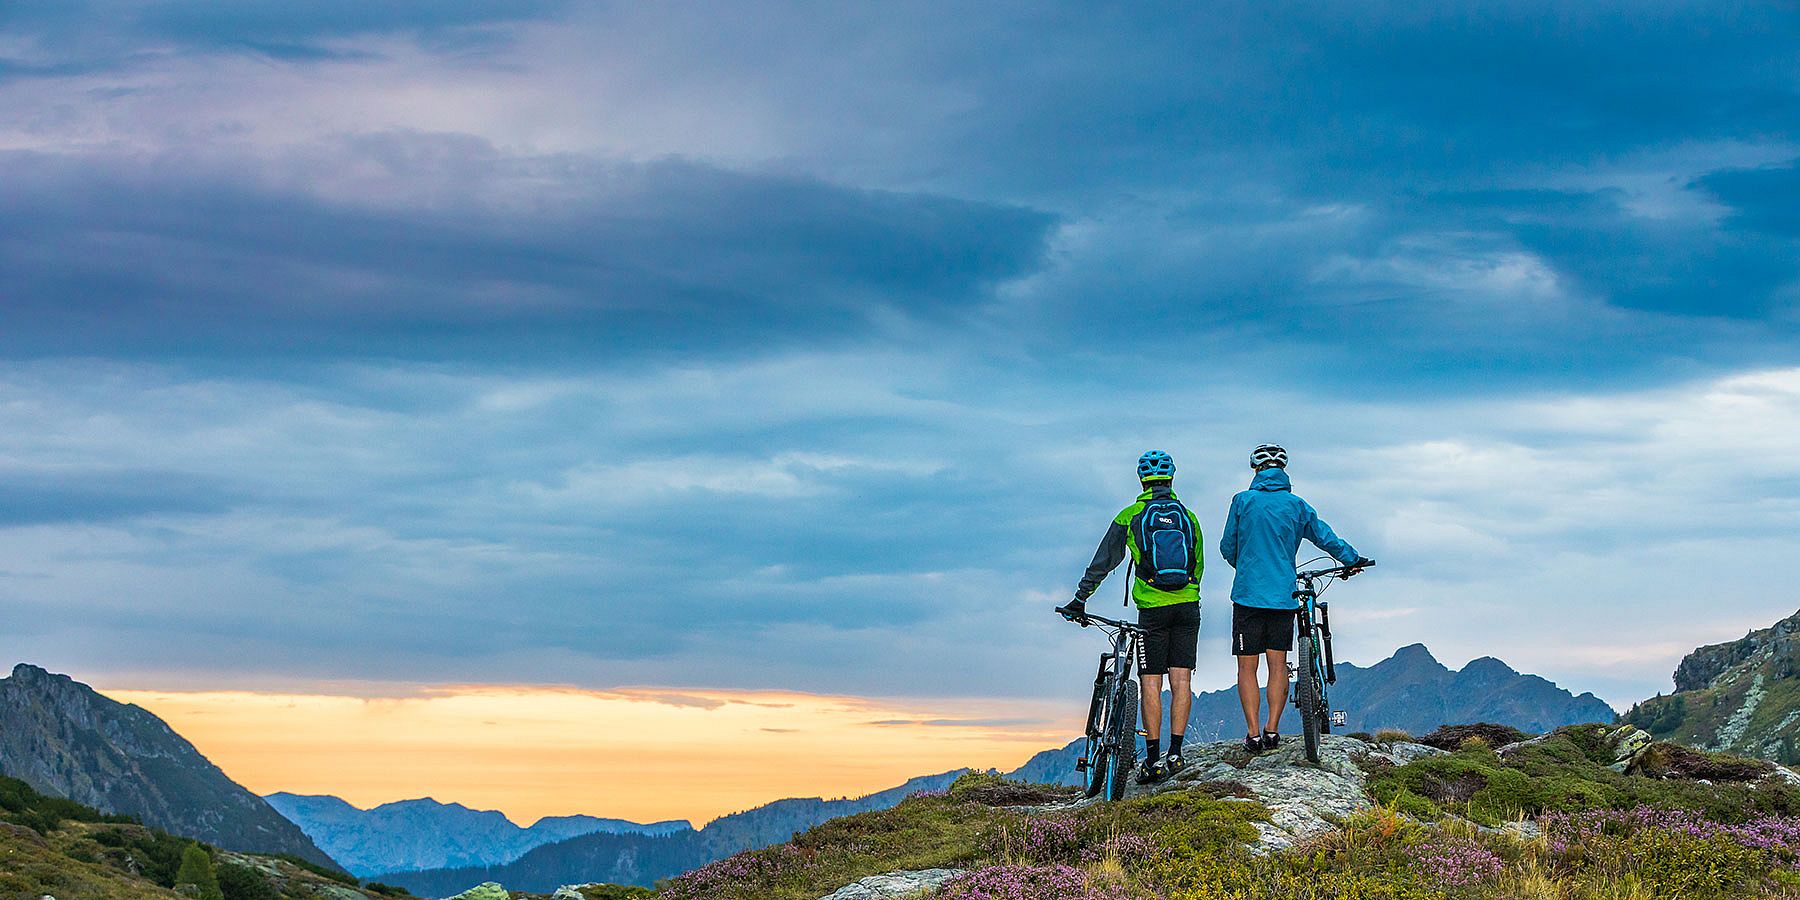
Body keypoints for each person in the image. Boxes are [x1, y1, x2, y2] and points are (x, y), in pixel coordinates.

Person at [1057, 450, 1202, 784]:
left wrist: (1081, 598)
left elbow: (1103, 562)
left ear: (1142, 480)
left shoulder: (1131, 515)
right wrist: (1187, 592)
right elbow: (1198, 565)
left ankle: (1152, 760)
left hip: (1151, 610)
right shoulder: (1189, 518)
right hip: (1187, 605)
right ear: (1171, 479)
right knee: (1182, 680)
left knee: (1151, 680)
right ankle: (1176, 754)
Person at [1219, 444, 1371, 754]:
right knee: (1278, 664)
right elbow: (1325, 537)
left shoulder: (1242, 502)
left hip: (1247, 596)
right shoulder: (1297, 505)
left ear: (1256, 471)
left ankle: (1252, 735)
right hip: (1283, 597)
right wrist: (1351, 559)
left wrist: (1247, 567)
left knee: (1247, 668)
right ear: (1284, 471)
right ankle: (1272, 730)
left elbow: (1226, 547)